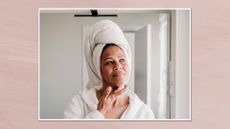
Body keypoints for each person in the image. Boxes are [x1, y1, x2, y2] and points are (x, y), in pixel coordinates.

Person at [64, 19, 155, 119]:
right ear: (99, 69)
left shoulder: (143, 113)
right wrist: (99, 113)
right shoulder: (79, 104)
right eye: (109, 62)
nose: (118, 66)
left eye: (122, 60)